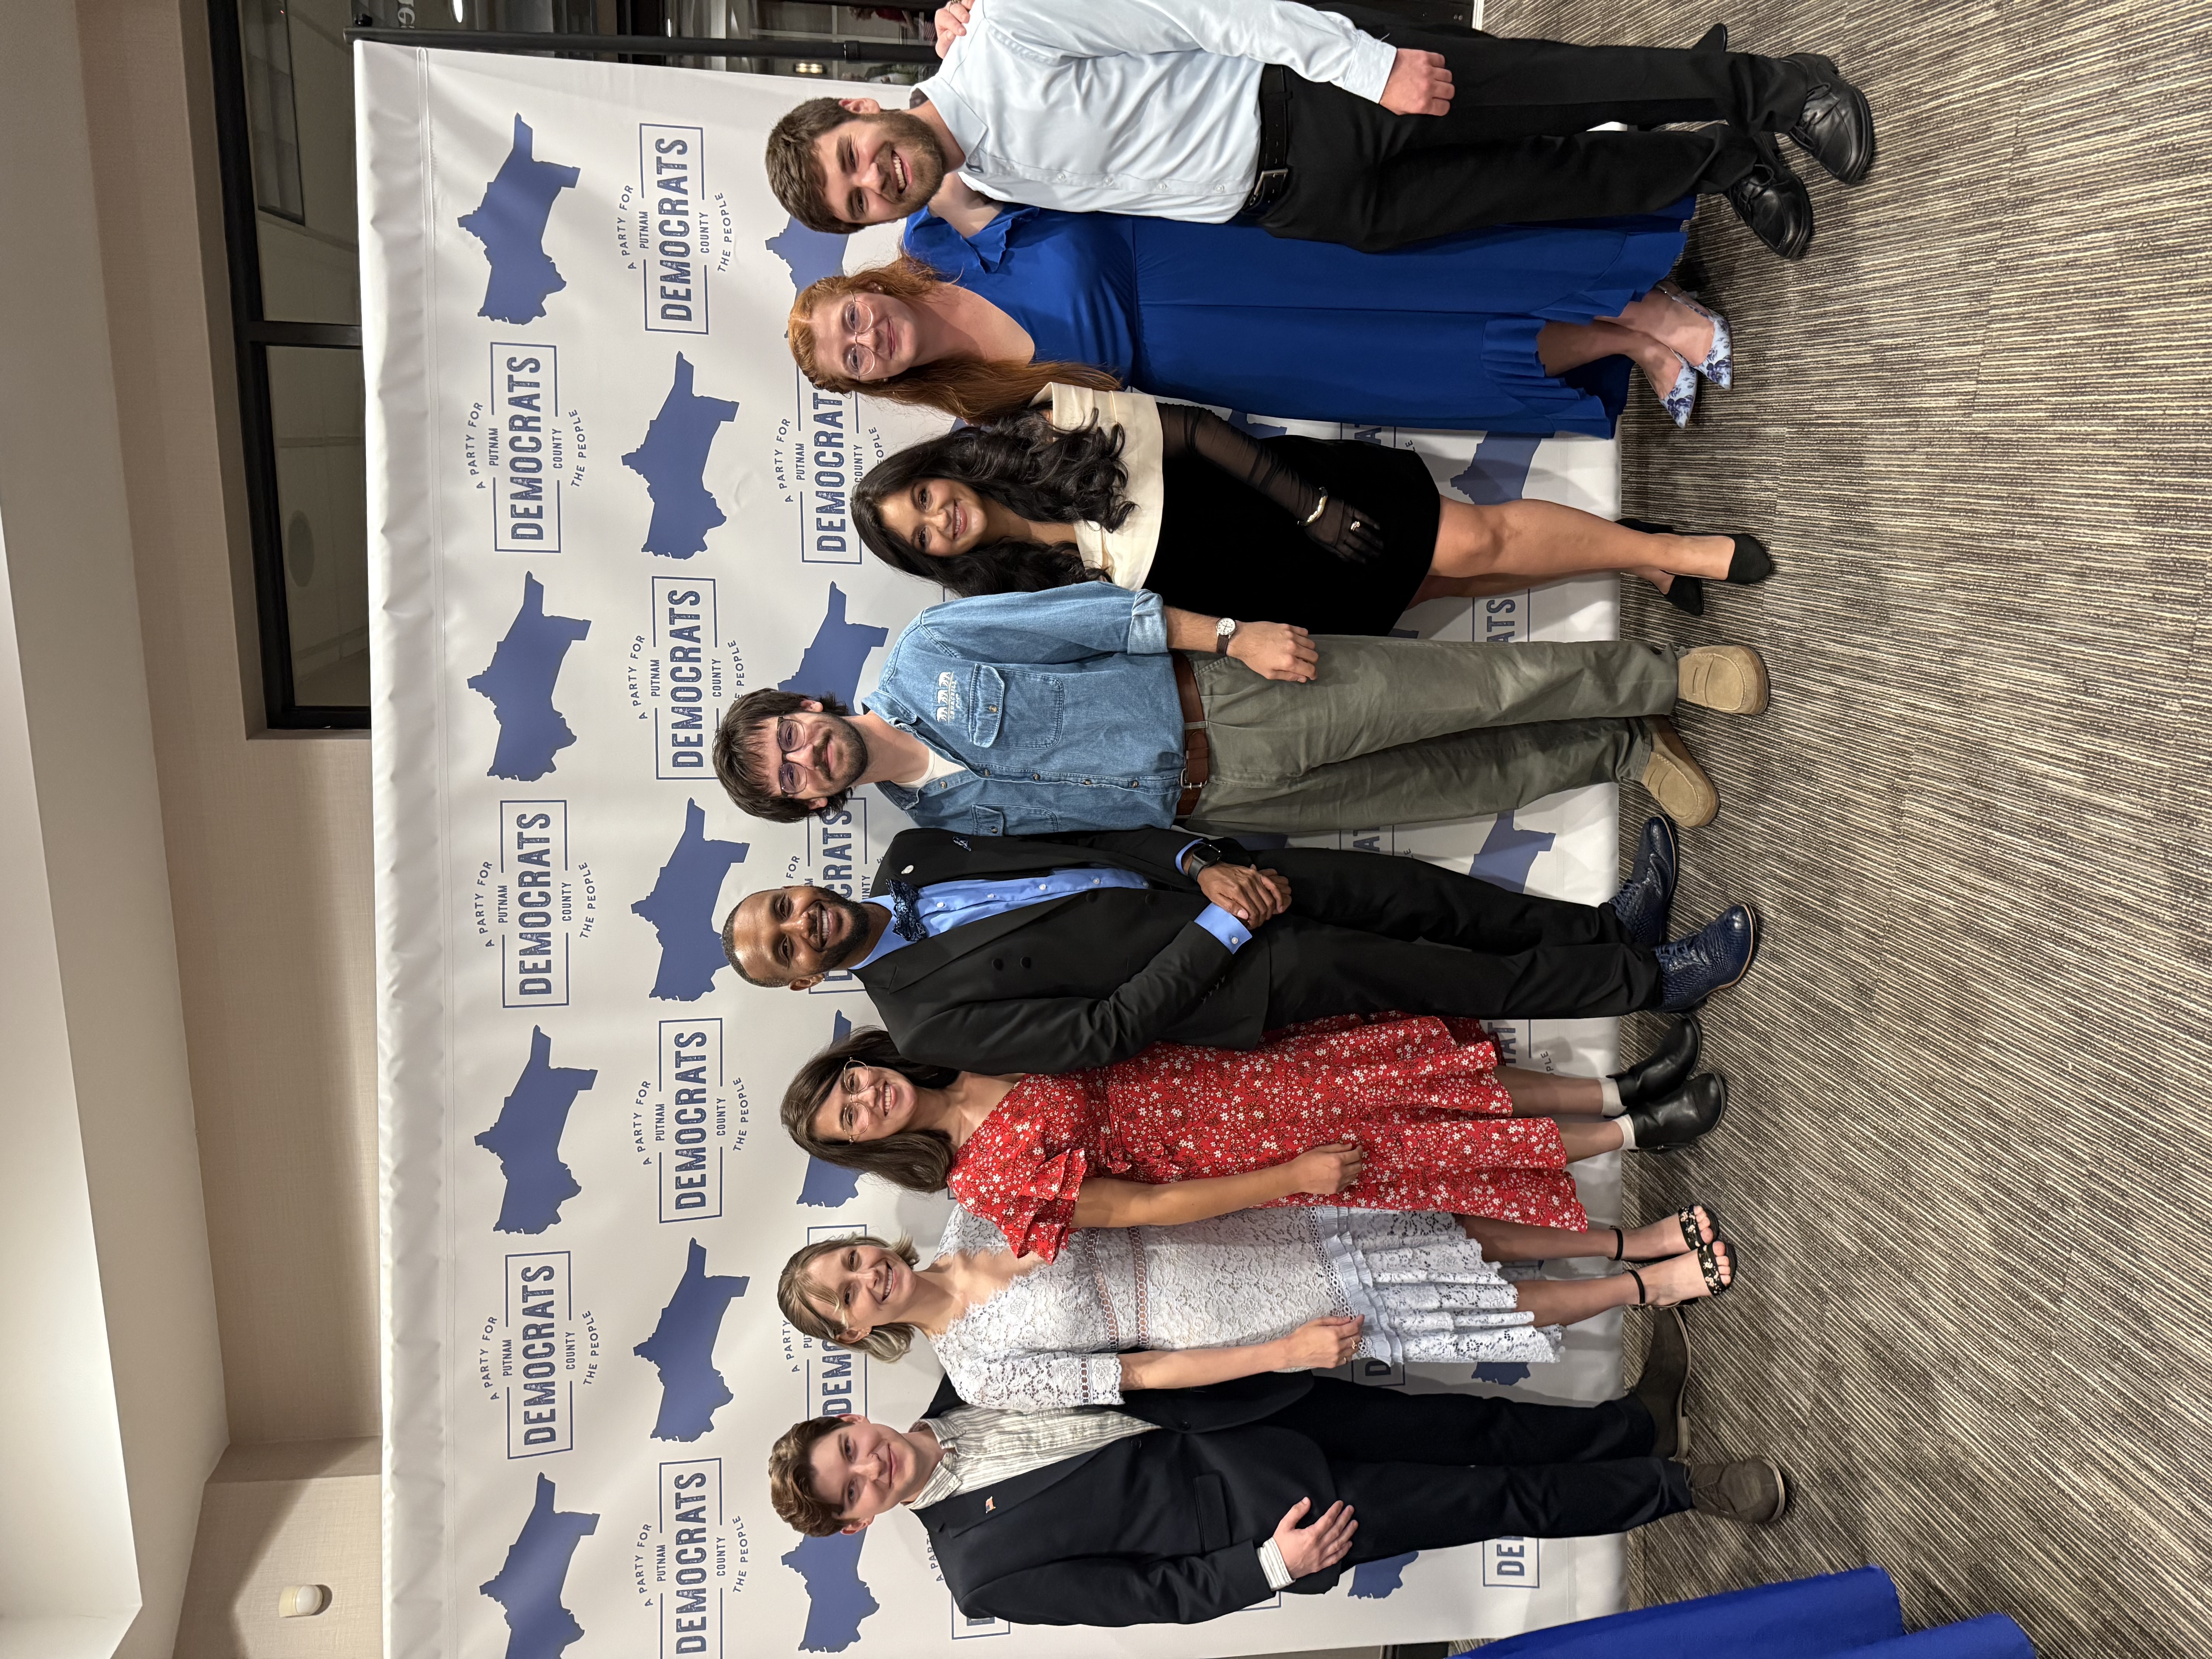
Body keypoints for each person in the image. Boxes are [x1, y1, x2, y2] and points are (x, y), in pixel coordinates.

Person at [764, 1319, 1791, 1626]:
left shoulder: (968, 1369)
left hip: (1260, 1404)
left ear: (856, 1418)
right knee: (1492, 1498)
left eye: (848, 1447)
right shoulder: (982, 1571)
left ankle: (1632, 1423)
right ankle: (1682, 1488)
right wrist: (1269, 1565)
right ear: (859, 1522)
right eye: (850, 1488)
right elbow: (1144, 1596)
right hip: (1286, 1512)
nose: (868, 1467)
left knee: (1472, 1421)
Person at [762, 0, 1874, 260]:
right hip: (1312, 205)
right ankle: (1721, 158)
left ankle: (1777, 86)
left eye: (858, 159)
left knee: (1561, 88)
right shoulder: (986, 175)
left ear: (862, 109)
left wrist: (1367, 65)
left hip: (1323, 98)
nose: (879, 183)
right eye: (862, 201)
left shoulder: (1000, 33)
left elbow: (1197, 9)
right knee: (1556, 181)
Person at [717, 818, 1760, 1075]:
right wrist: (1221, 927)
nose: (799, 919)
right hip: (1239, 972)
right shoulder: (925, 1021)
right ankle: (1648, 982)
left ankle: (1606, 929)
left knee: (1437, 901)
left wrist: (1198, 866)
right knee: (1453, 974)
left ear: (800, 882)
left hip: (1229, 880)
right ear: (807, 975)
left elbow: (1091, 841)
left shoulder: (913, 850)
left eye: (783, 902)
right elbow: (1098, 1032)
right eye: (783, 944)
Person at [713, 584, 1768, 836]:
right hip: (1228, 808)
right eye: (790, 776)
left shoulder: (928, 652)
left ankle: (1662, 678)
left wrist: (1230, 636)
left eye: (791, 736)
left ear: (808, 704)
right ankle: (1626, 747)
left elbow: (1099, 617)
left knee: (1473, 689)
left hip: (1226, 698)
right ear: (813, 804)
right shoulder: (942, 827)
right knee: (1460, 783)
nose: (807, 756)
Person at [783, 1009, 1728, 1259]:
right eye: (851, 1118)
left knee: (1426, 1071)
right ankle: (1637, 1133)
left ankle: (1613, 1084)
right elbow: (1142, 1208)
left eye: (852, 1084)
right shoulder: (984, 1187)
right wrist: (1290, 1177)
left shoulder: (953, 1043)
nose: (868, 1099)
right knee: (1443, 1146)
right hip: (1243, 1151)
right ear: (864, 1146)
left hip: (1240, 1067)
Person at [852, 385, 1772, 624]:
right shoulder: (1012, 593)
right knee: (1442, 590)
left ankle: (1684, 551)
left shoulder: (1042, 427)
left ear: (940, 469)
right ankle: (1636, 551)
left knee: (1474, 540)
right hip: (1248, 591)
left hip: (1278, 502)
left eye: (925, 496)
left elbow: (1189, 431)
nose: (939, 519)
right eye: (922, 536)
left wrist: (1310, 507)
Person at [792, 218, 1735, 435]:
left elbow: (997, 132)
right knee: (1431, 362)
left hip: (1198, 253)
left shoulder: (932, 230)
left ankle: (1646, 302)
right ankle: (1626, 342)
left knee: (1432, 274)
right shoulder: (975, 405)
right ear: (873, 382)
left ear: (858, 285)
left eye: (850, 320)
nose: (866, 338)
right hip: (1214, 360)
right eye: (852, 360)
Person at [776, 1201, 1733, 1408]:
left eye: (847, 1260)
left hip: (1221, 1225)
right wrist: (1281, 1354)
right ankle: (1648, 1287)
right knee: (1455, 1309)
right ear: (858, 1333)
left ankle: (1633, 1239)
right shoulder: (981, 1378)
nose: (863, 1277)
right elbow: (1141, 1372)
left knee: (1445, 1236)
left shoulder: (969, 1212)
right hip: (1221, 1317)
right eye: (845, 1299)